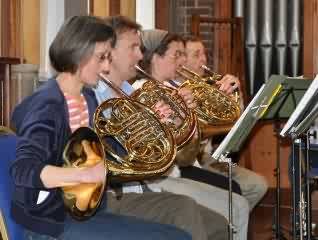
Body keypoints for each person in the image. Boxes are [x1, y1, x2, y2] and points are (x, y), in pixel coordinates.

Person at [9, 15, 194, 240]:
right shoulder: (47, 105)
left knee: (178, 235)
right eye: (102, 57)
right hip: (49, 223)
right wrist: (83, 175)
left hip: (86, 211)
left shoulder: (87, 97)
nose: (107, 66)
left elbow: (113, 154)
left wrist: (153, 125)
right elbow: (23, 170)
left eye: (108, 57)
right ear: (80, 54)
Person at [92, 16, 229, 240]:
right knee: (186, 210)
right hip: (116, 193)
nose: (139, 55)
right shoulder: (96, 96)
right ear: (110, 51)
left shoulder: (133, 92)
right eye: (134, 47)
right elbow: (109, 156)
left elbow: (183, 156)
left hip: (146, 186)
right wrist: (153, 129)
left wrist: (179, 121)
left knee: (219, 225)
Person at [129, 27, 250, 240]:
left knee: (236, 198)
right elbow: (174, 153)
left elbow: (222, 121)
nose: (181, 62)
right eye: (177, 55)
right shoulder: (144, 90)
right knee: (235, 202)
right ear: (155, 57)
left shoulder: (174, 86)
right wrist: (184, 118)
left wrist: (231, 97)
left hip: (183, 166)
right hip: (163, 176)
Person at [182, 35, 268, 211]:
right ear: (181, 61)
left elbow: (235, 125)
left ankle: (229, 223)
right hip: (188, 162)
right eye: (197, 54)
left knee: (258, 184)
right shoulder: (179, 89)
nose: (204, 59)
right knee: (236, 193)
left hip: (210, 158)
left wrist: (237, 98)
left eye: (204, 54)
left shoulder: (208, 88)